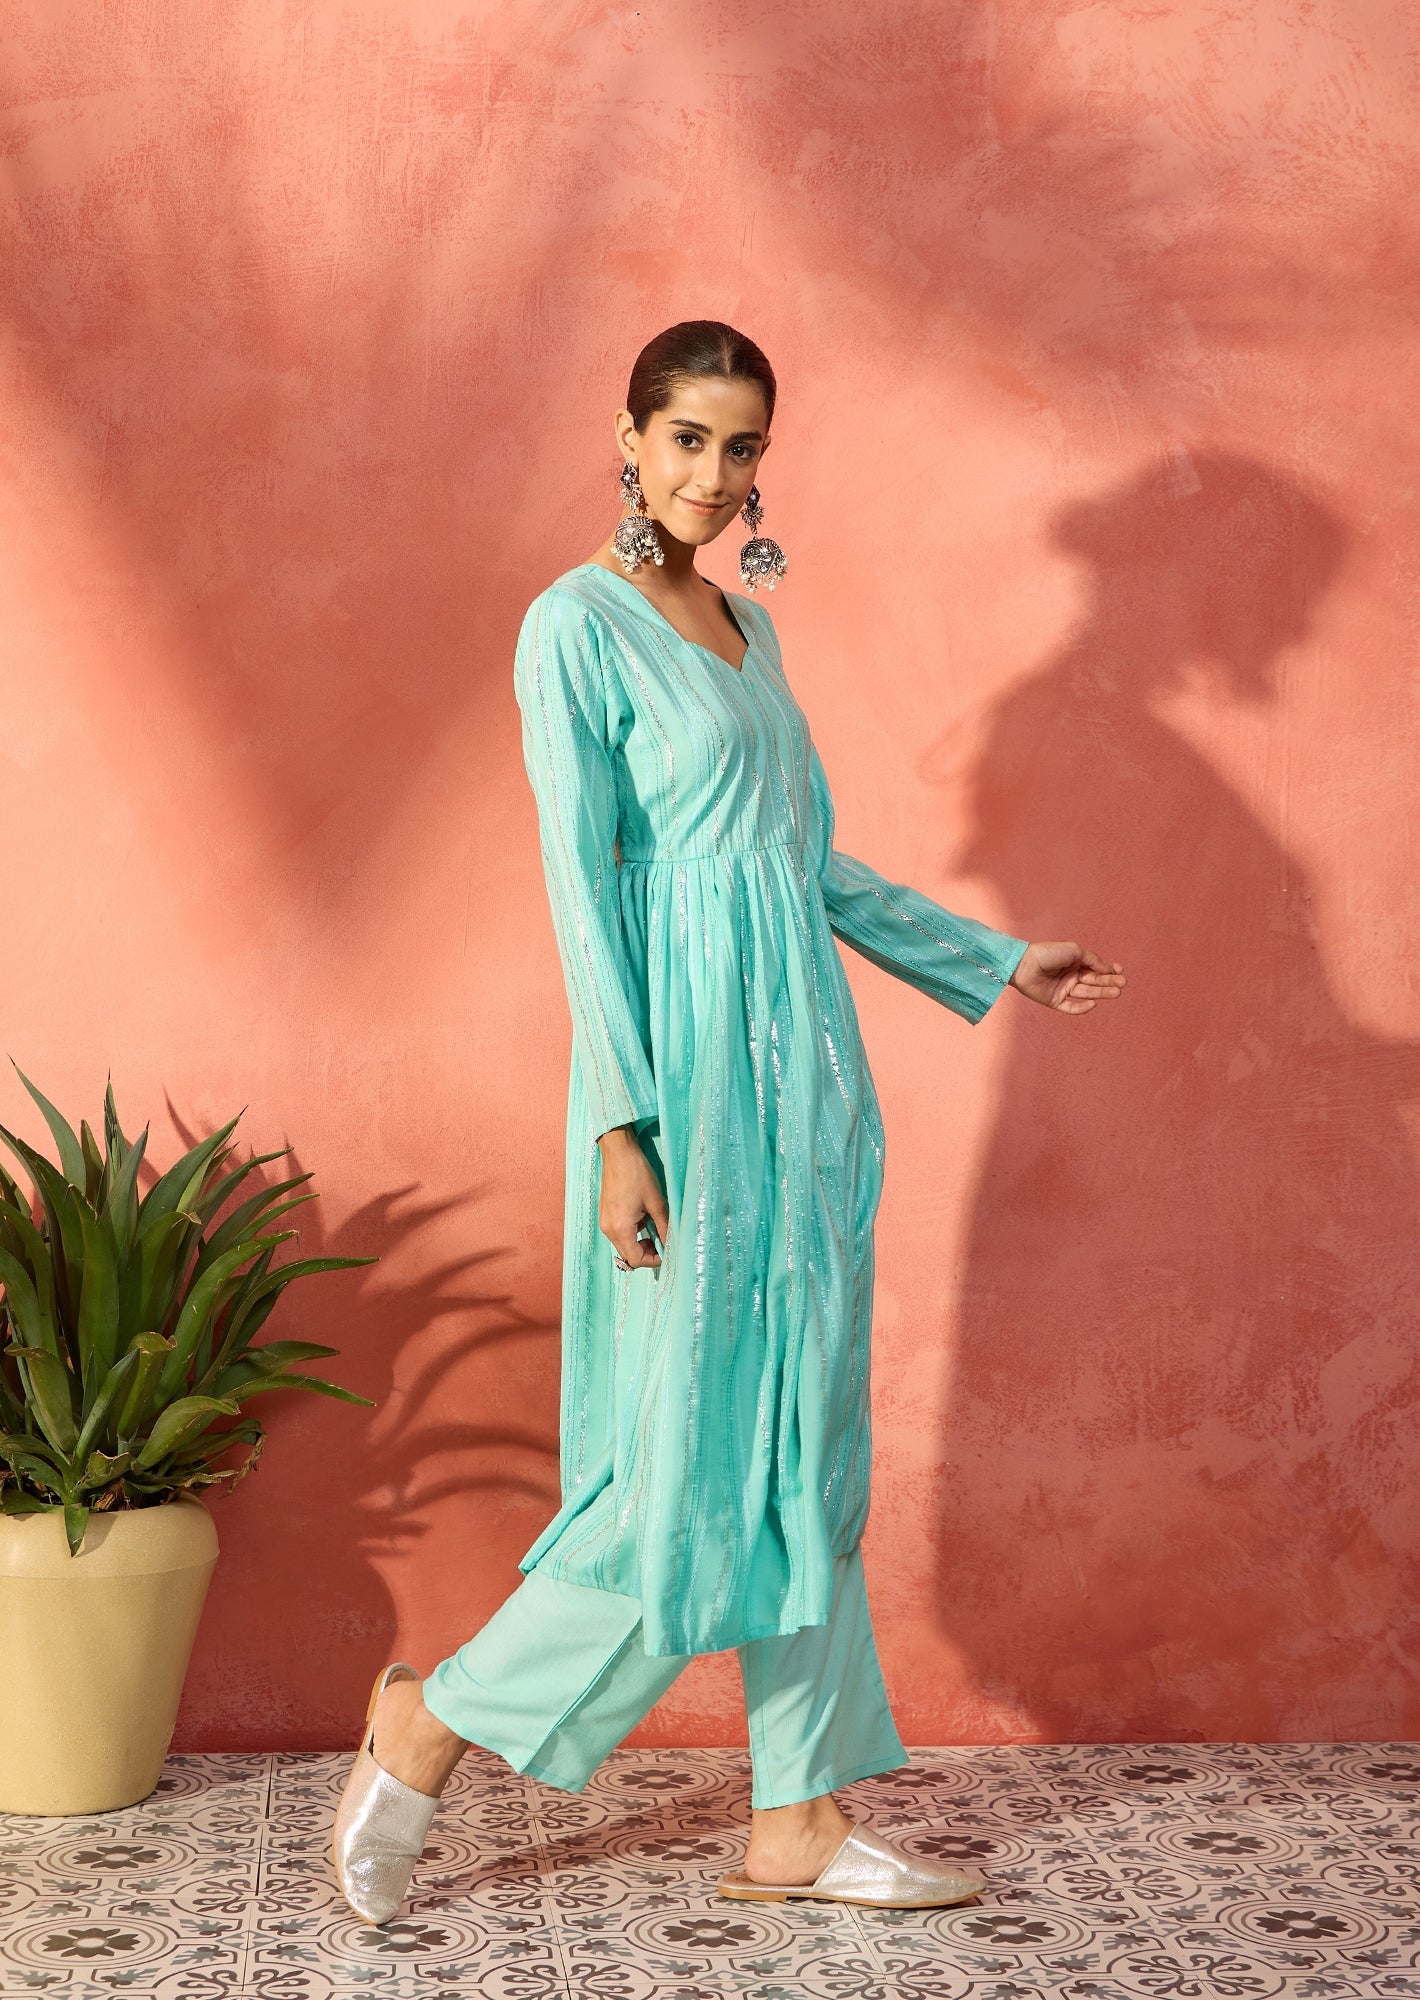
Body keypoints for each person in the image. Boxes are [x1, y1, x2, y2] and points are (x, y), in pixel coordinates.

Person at [331, 320, 1127, 1926]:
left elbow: (801, 864)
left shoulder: (751, 630)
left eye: (743, 444)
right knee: (682, 1467)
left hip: (806, 1082)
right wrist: (622, 1126)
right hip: (682, 1085)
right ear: (629, 440)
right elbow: (582, 890)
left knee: (805, 1448)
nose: (713, 474)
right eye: (687, 438)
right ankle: (432, 1723)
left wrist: (989, 959)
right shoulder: (574, 628)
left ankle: (798, 1821)